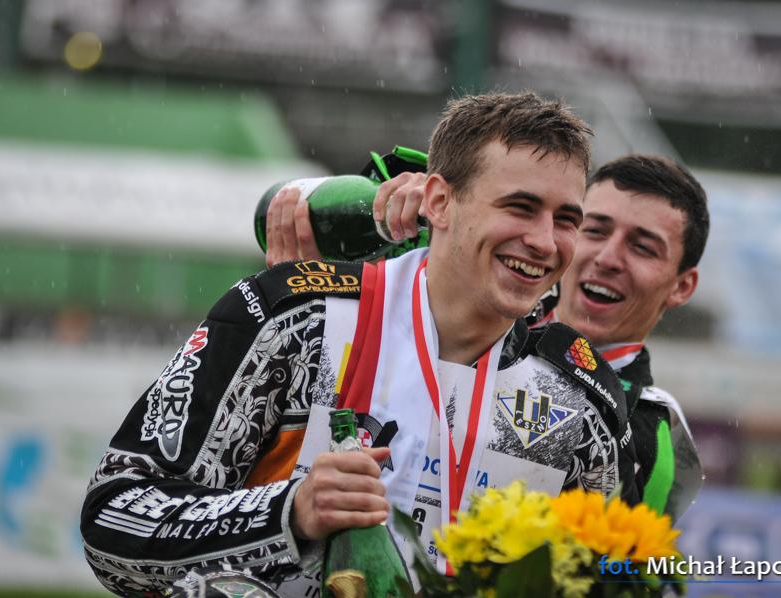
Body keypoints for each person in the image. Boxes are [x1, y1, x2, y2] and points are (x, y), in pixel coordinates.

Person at [81, 92, 632, 597]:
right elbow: (113, 521)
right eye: (519, 207)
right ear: (439, 201)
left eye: (567, 220)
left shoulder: (580, 398)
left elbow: (619, 576)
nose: (544, 241)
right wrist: (290, 512)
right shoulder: (296, 320)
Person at [266, 153, 709, 522]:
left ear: (682, 286)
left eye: (642, 247)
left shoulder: (655, 430)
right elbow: (286, 207)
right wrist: (404, 213)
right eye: (594, 230)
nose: (608, 258)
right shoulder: (465, 295)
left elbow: (611, 571)